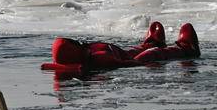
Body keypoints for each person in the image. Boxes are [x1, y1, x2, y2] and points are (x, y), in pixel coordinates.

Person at [41, 20, 200, 74]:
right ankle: (186, 49)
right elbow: (128, 65)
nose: (79, 42)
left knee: (135, 49)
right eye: (74, 44)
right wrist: (142, 62)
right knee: (153, 53)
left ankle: (151, 43)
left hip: (121, 53)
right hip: (126, 59)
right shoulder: (100, 59)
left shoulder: (85, 53)